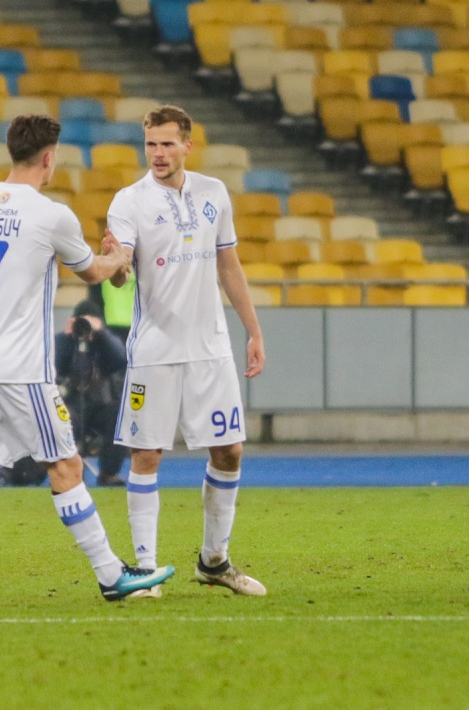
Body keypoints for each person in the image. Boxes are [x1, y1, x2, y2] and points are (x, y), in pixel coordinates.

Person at [0, 114, 176, 604]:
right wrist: (120, 258)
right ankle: (112, 576)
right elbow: (93, 272)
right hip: (22, 371)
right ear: (48, 157)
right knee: (66, 465)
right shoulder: (51, 215)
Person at [106, 105, 267, 597]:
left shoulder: (214, 193)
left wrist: (253, 331)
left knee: (230, 450)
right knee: (146, 454)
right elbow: (121, 265)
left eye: (167, 143)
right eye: (150, 144)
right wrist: (116, 265)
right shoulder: (128, 202)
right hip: (155, 348)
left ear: (187, 146)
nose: (157, 153)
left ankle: (214, 561)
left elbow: (229, 265)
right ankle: (145, 571)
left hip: (211, 347)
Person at [55, 299, 129, 487]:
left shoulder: (104, 343)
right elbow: (53, 364)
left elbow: (121, 357)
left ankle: (109, 473)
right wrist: (66, 337)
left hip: (99, 406)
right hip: (69, 404)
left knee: (118, 414)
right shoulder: (66, 341)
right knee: (62, 416)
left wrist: (101, 333)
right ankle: (68, 474)